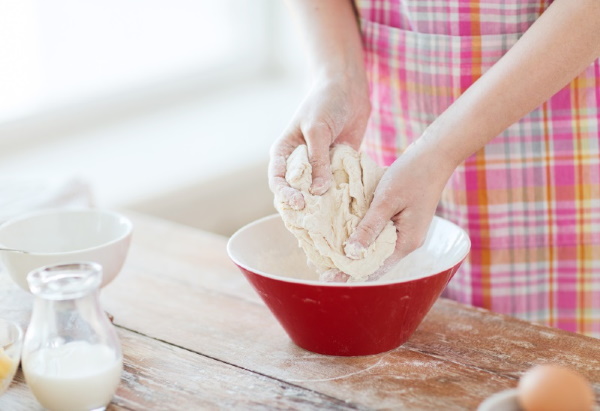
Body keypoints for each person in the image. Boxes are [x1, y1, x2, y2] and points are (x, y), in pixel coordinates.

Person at [268, 0, 600, 338]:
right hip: (393, 120)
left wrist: (439, 151)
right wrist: (338, 74)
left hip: (549, 124)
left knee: (541, 353)